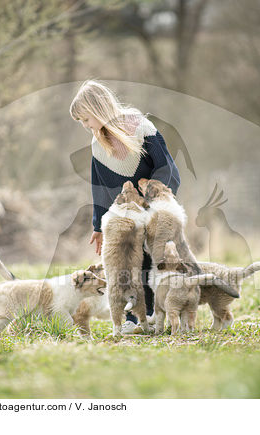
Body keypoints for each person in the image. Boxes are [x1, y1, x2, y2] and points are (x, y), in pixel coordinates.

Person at [69, 80, 180, 334]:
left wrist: (154, 198)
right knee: (130, 262)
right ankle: (136, 317)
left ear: (97, 109)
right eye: (82, 123)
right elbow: (100, 187)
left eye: (86, 119)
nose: (86, 126)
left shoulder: (141, 128)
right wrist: (98, 225)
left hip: (155, 205)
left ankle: (164, 313)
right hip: (128, 216)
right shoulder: (98, 145)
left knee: (157, 257)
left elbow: (166, 166)